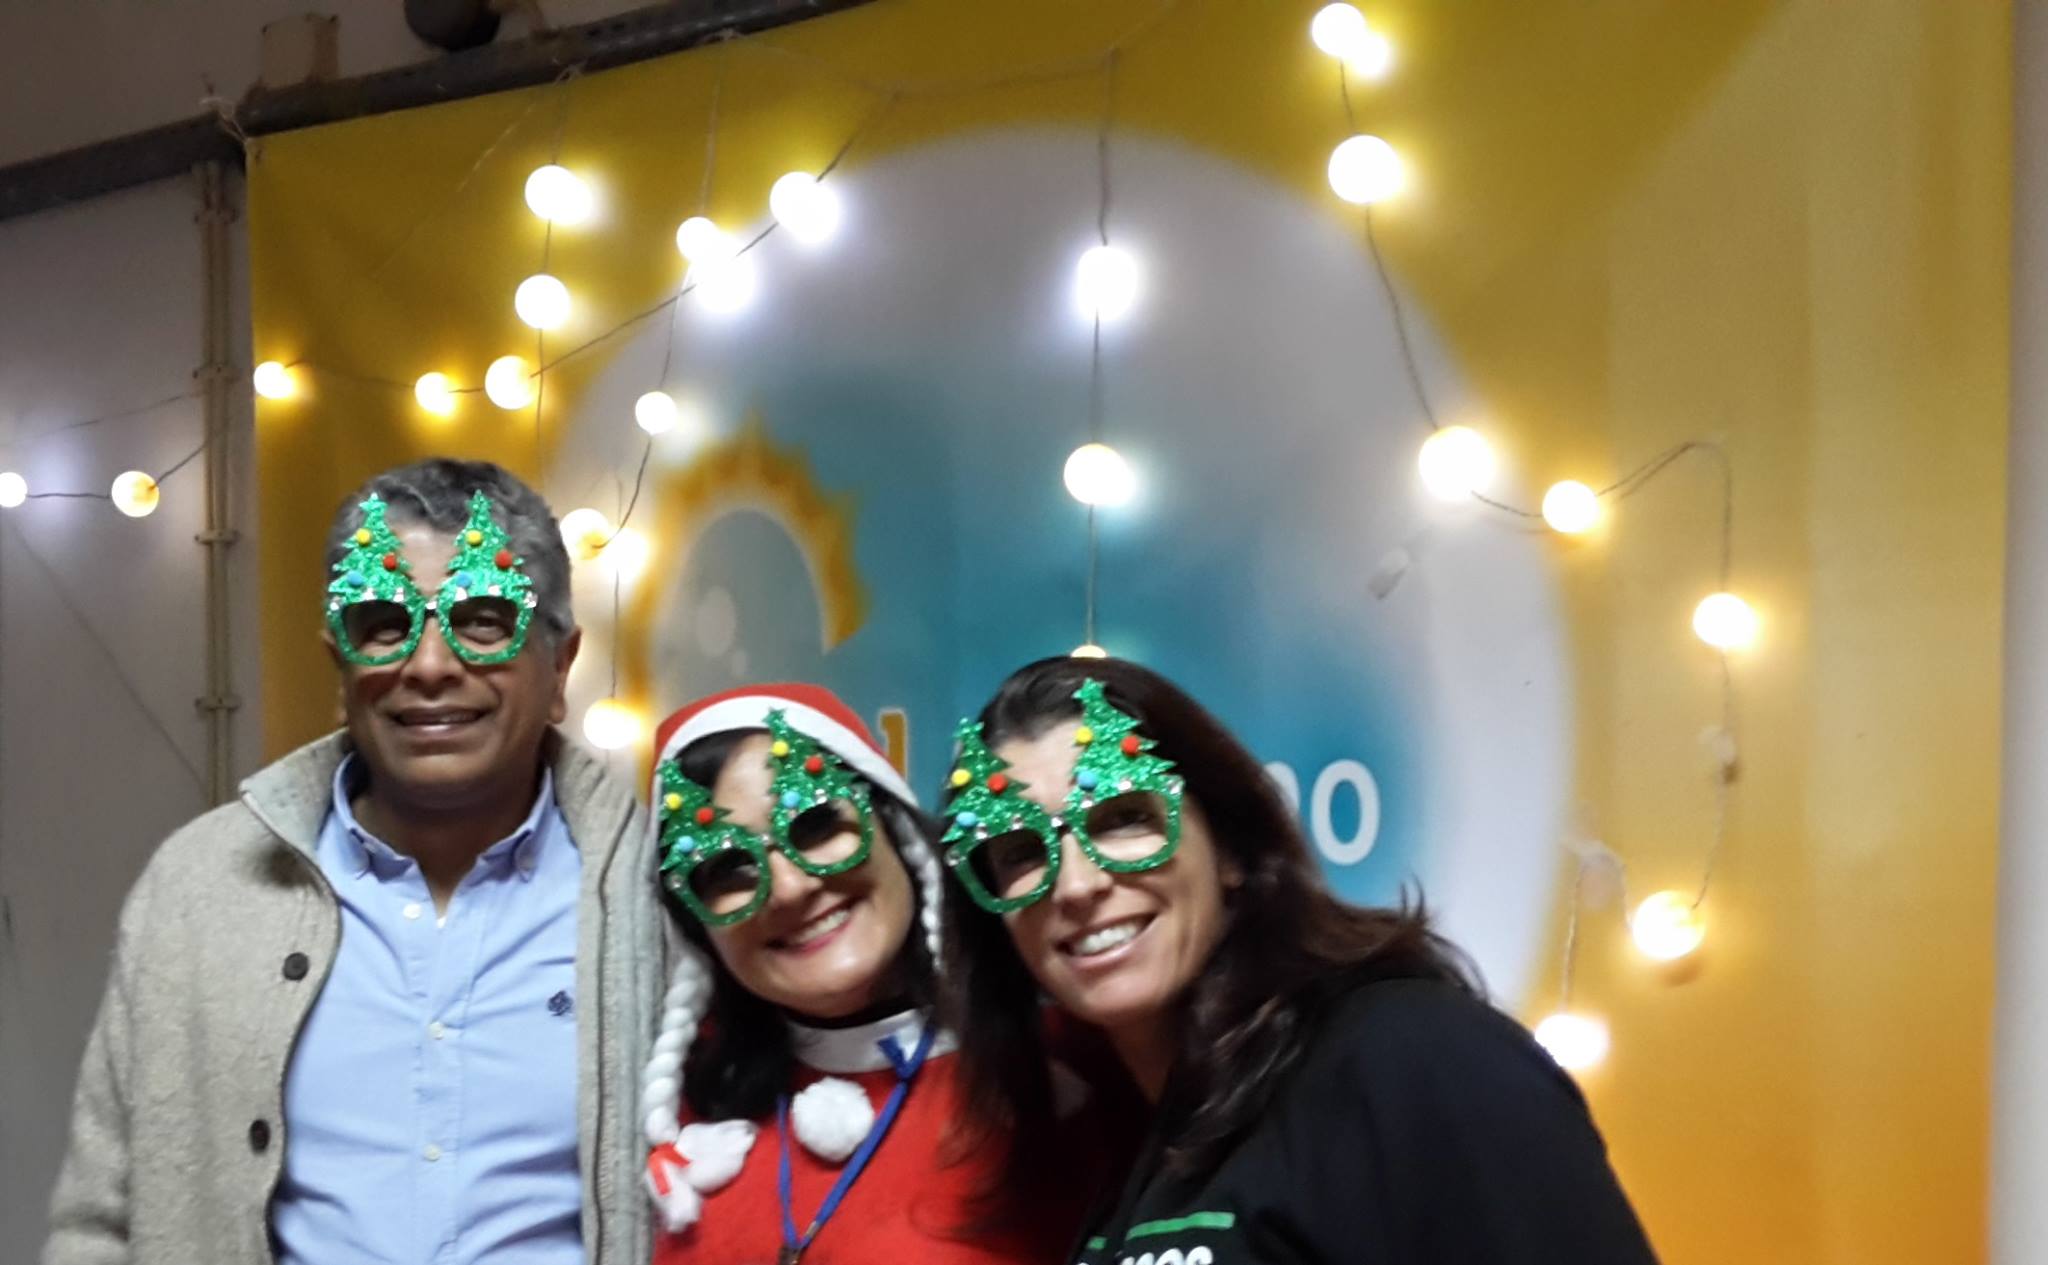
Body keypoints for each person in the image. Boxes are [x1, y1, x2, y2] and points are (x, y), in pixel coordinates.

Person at [44, 458, 661, 1265]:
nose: (430, 665)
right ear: (340, 667)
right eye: (382, 623)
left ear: (561, 668)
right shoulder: (199, 890)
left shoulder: (658, 899)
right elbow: (99, 1222)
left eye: (483, 619)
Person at [937, 655, 1661, 1265]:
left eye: (1124, 818)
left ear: (1232, 849)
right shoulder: (1133, 1140)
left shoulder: (1412, 1055)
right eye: (1020, 852)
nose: (1076, 885)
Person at [639, 684, 1127, 1264]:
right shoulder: (696, 1102)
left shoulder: (1074, 1066)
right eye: (726, 868)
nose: (790, 888)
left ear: (896, 830)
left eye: (815, 824)